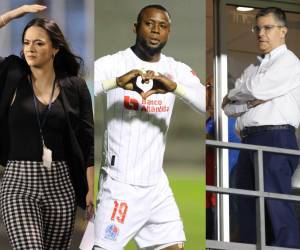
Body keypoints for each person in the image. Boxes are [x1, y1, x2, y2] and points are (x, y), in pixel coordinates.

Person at [94, 4, 205, 250]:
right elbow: (75, 91)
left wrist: (175, 87)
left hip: (156, 185)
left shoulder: (175, 69)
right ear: (136, 27)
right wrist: (116, 83)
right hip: (120, 183)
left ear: (169, 32)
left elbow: (207, 104)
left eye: (162, 26)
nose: (155, 30)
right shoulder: (112, 64)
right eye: (149, 24)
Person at [0, 4, 94, 249]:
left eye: (39, 43)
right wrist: (11, 15)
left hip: (61, 185)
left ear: (55, 48)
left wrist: (91, 189)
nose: (30, 48)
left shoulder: (75, 86)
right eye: (26, 42)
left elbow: (87, 141)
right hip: (18, 184)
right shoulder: (12, 72)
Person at [222, 7, 300, 248]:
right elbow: (227, 106)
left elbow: (254, 91)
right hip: (249, 138)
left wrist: (244, 96)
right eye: (258, 28)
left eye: (268, 28)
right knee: (245, 201)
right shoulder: (253, 69)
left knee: (275, 204)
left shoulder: (289, 62)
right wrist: (244, 97)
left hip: (275, 136)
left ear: (283, 31)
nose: (261, 33)